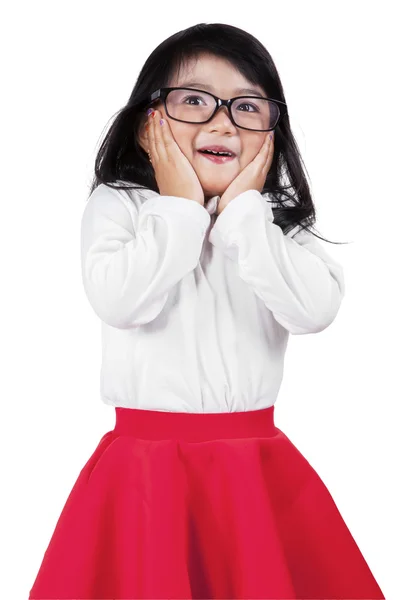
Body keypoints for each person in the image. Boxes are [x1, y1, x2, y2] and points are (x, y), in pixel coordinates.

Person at [28, 22, 385, 600]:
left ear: (272, 130)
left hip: (253, 470)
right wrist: (182, 209)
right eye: (193, 100)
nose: (221, 121)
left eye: (246, 106)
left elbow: (314, 311)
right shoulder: (121, 204)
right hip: (143, 472)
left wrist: (244, 212)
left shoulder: (271, 221)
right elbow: (120, 300)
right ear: (151, 119)